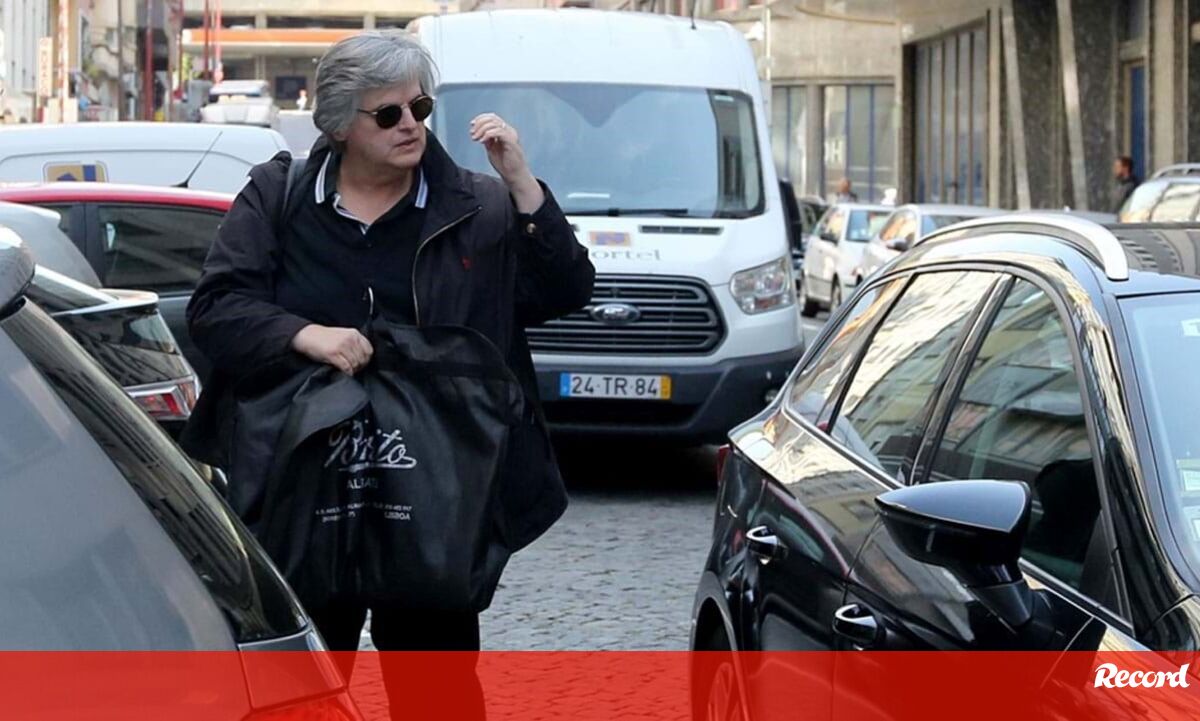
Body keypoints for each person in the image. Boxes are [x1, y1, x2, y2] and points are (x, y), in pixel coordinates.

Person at [182, 30, 594, 717]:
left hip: (435, 490)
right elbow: (216, 309)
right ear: (340, 124)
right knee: (299, 693)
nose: (411, 125)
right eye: (389, 113)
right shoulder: (279, 197)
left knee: (438, 696)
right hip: (306, 487)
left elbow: (566, 290)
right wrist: (304, 335)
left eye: (421, 108)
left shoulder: (478, 206)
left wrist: (522, 183)